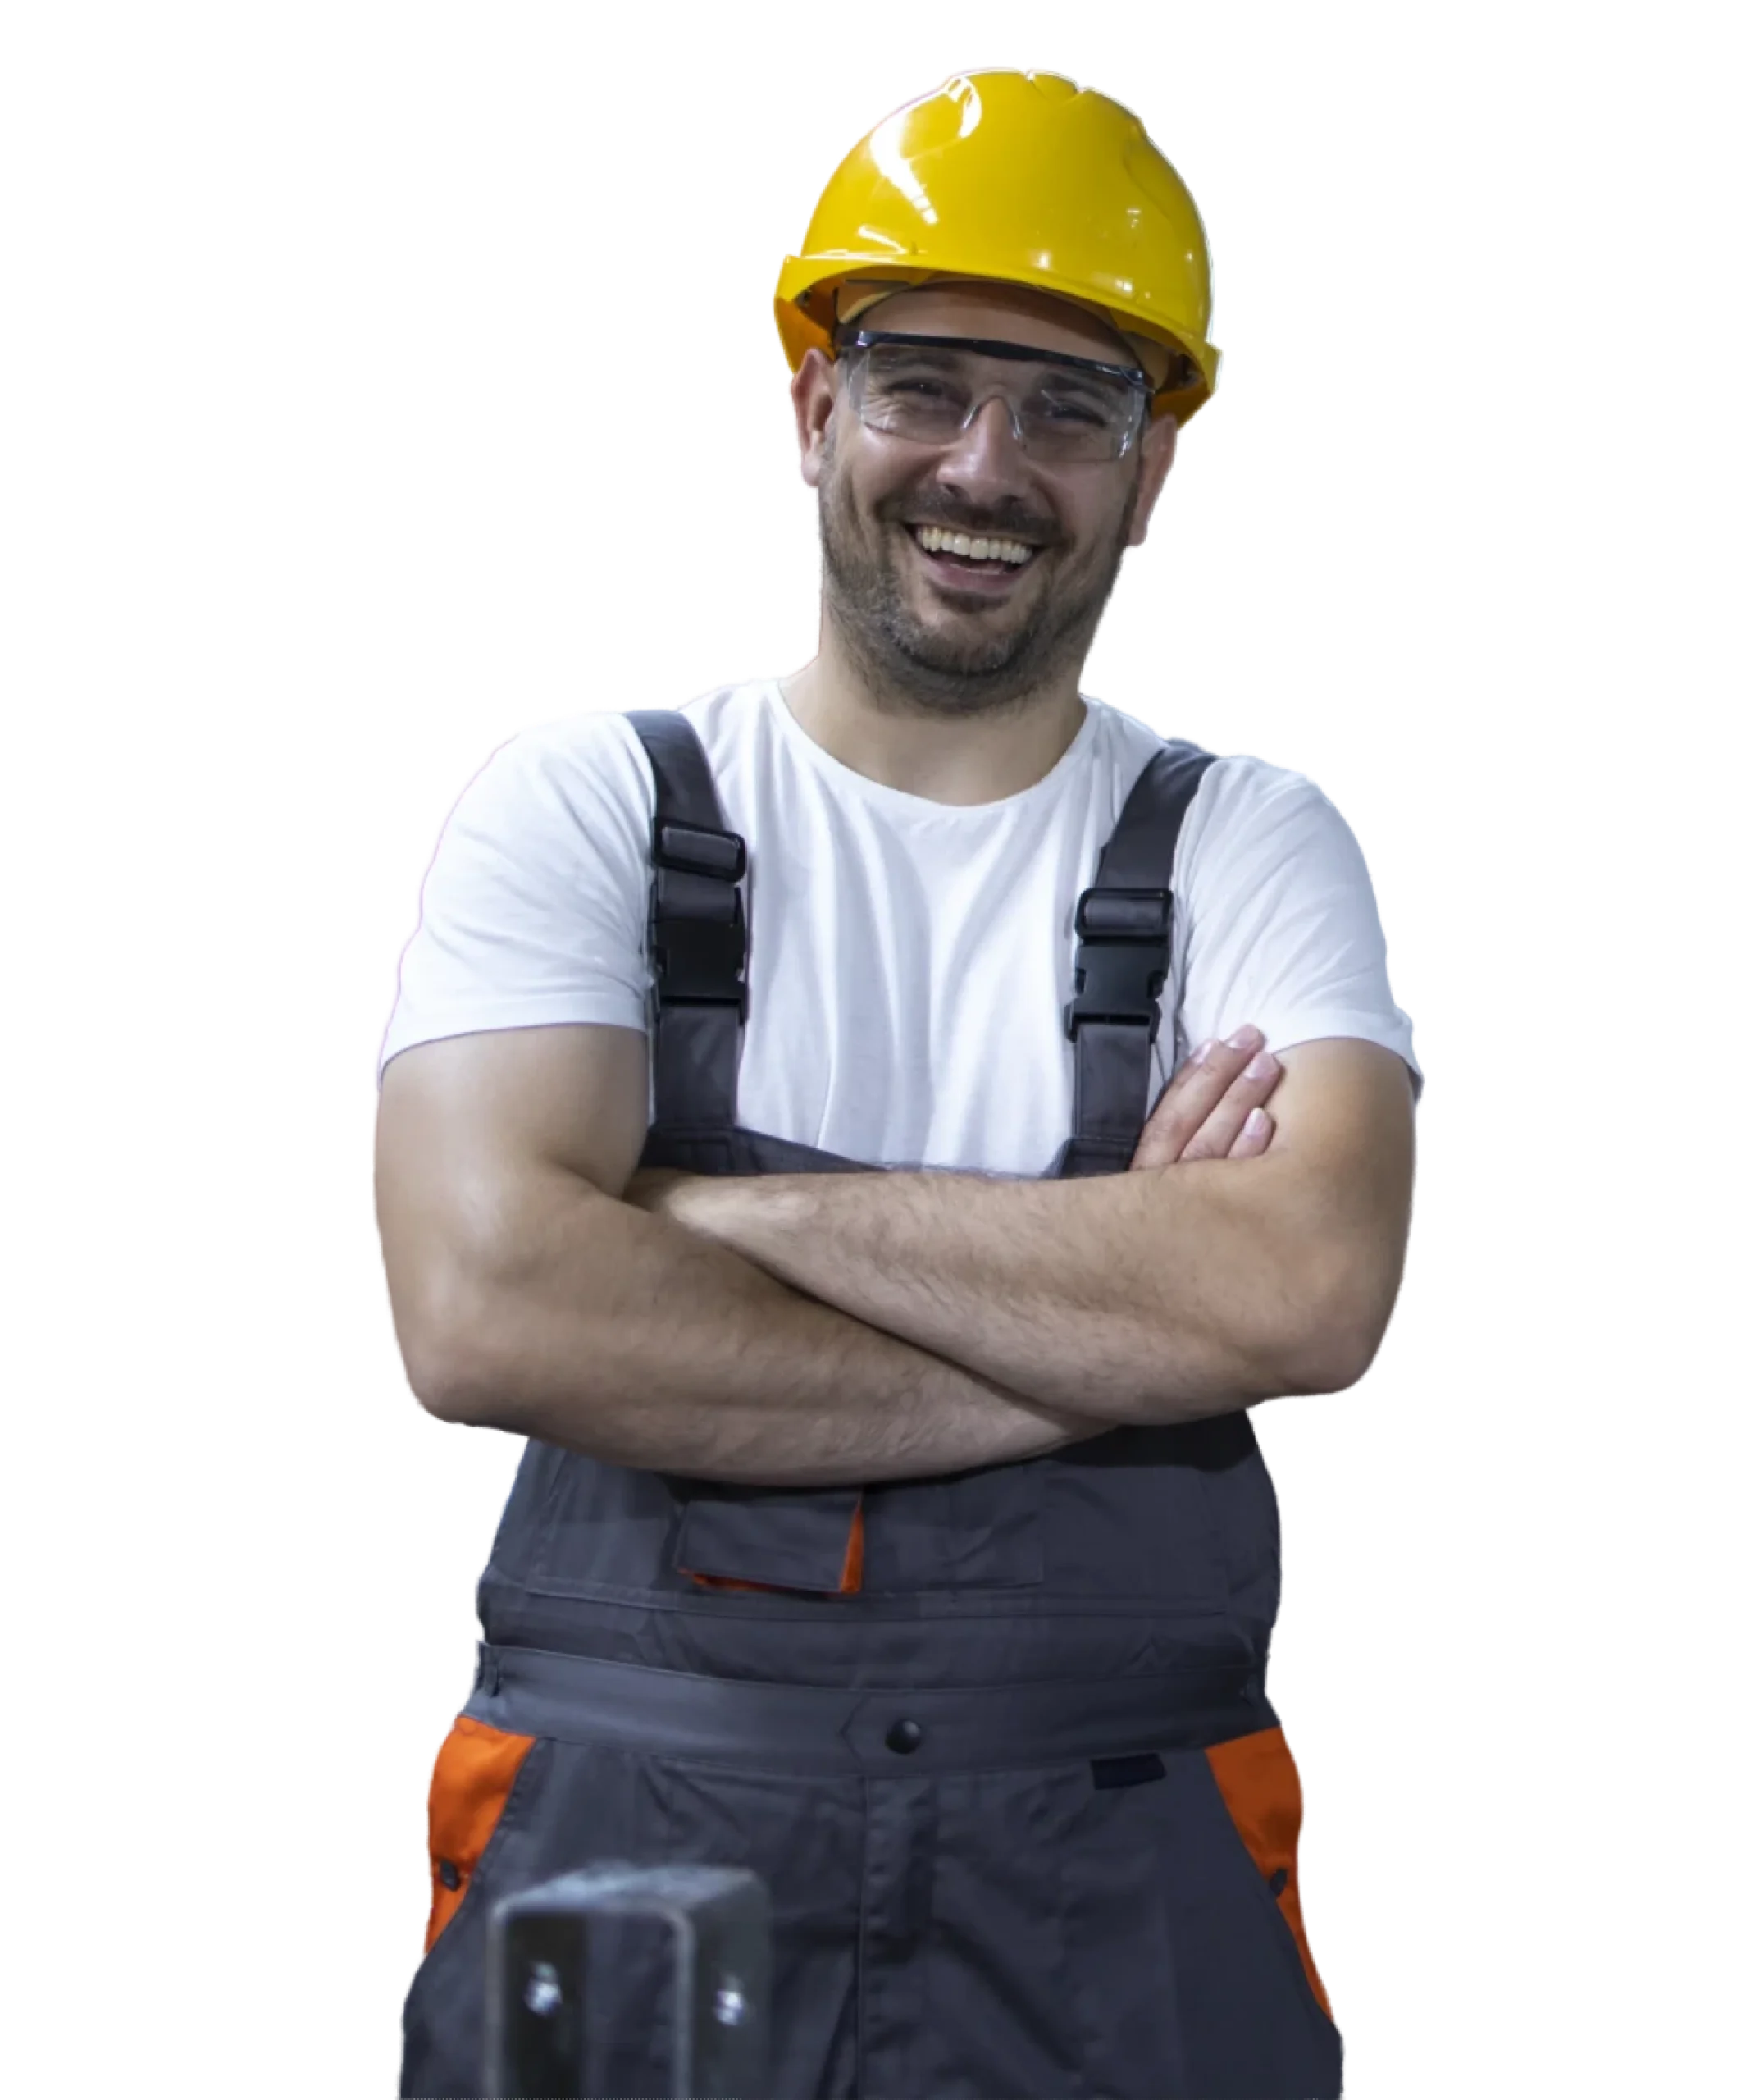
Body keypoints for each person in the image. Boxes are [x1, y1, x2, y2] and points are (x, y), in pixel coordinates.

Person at [376, 66, 1423, 2100]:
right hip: (626, 1842)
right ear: (809, 411)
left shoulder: (1251, 836)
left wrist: (702, 1209)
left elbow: (1300, 1296)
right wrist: (1128, 1313)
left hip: (1120, 1863)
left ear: (1150, 473)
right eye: (919, 385)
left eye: (1066, 409)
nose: (982, 464)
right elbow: (484, 1311)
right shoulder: (579, 798)